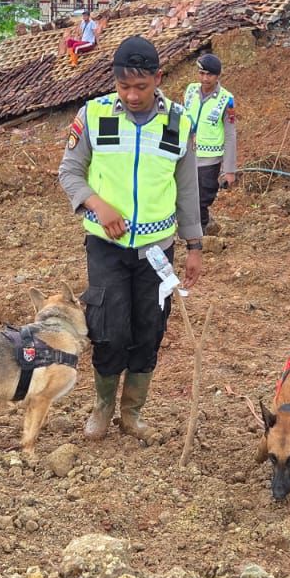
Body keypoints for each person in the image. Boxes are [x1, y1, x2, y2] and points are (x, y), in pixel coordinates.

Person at [58, 35, 203, 442]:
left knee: (149, 328)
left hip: (158, 250)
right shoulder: (93, 115)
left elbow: (187, 188)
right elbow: (69, 171)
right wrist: (96, 205)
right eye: (125, 86)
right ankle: (102, 408)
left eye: (142, 86)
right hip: (107, 247)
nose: (133, 95)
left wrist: (194, 246)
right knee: (108, 328)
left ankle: (132, 413)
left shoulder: (178, 121)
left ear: (158, 78)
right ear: (115, 81)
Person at [182, 54, 237, 234]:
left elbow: (230, 134)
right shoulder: (190, 91)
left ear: (217, 76)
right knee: (185, 196)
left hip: (209, 160)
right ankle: (197, 229)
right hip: (187, 154)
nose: (205, 79)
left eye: (209, 75)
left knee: (201, 199)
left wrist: (229, 170)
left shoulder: (226, 99)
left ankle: (202, 233)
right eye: (201, 73)